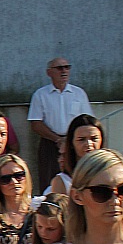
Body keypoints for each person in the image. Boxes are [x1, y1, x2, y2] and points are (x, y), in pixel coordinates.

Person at [28, 57, 94, 191]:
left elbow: (88, 120)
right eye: (59, 68)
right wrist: (58, 139)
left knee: (78, 177)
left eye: (67, 67)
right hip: (50, 143)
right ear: (49, 72)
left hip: (75, 142)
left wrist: (70, 139)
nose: (64, 71)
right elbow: (35, 123)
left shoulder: (79, 93)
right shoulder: (40, 95)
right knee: (48, 180)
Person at [50, 114, 105, 196]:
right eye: (81, 139)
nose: (89, 144)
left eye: (94, 139)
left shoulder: (109, 173)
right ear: (72, 143)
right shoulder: (62, 181)